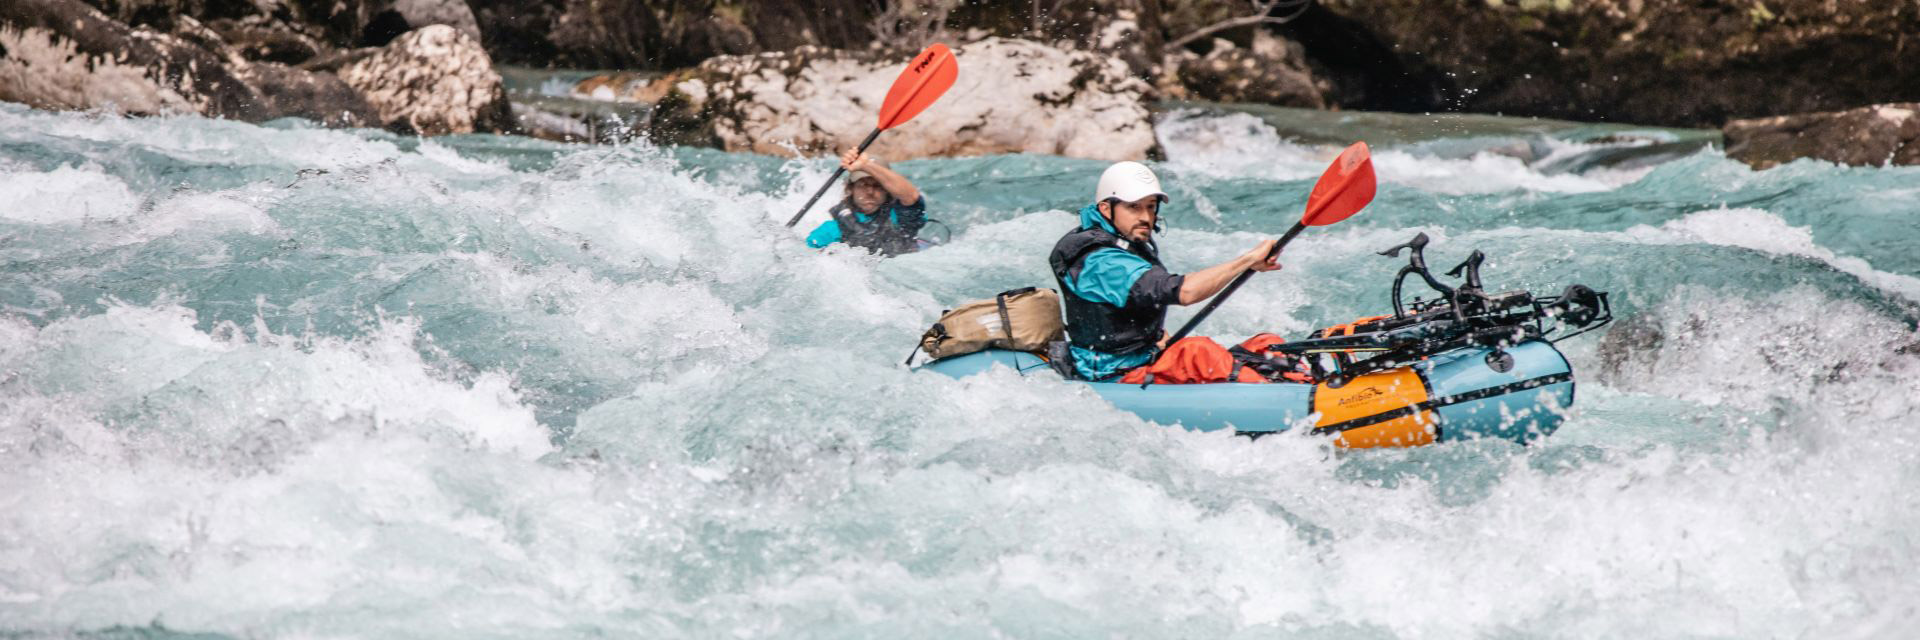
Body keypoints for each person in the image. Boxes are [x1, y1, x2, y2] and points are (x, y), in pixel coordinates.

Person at [1049, 161, 1286, 383]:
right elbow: (1184, 292)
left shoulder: (1124, 239)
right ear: (1105, 209)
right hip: (1111, 373)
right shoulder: (1100, 261)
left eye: (1150, 207)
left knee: (1266, 344)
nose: (1145, 217)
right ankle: (1279, 395)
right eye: (1134, 207)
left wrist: (1156, 338)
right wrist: (1247, 260)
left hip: (1143, 358)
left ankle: (1294, 380)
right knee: (1197, 351)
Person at [805, 149, 927, 256]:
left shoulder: (901, 217)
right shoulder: (832, 229)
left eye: (877, 185)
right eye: (863, 185)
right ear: (851, 189)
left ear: (887, 189)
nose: (870, 191)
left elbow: (911, 196)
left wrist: (865, 165)